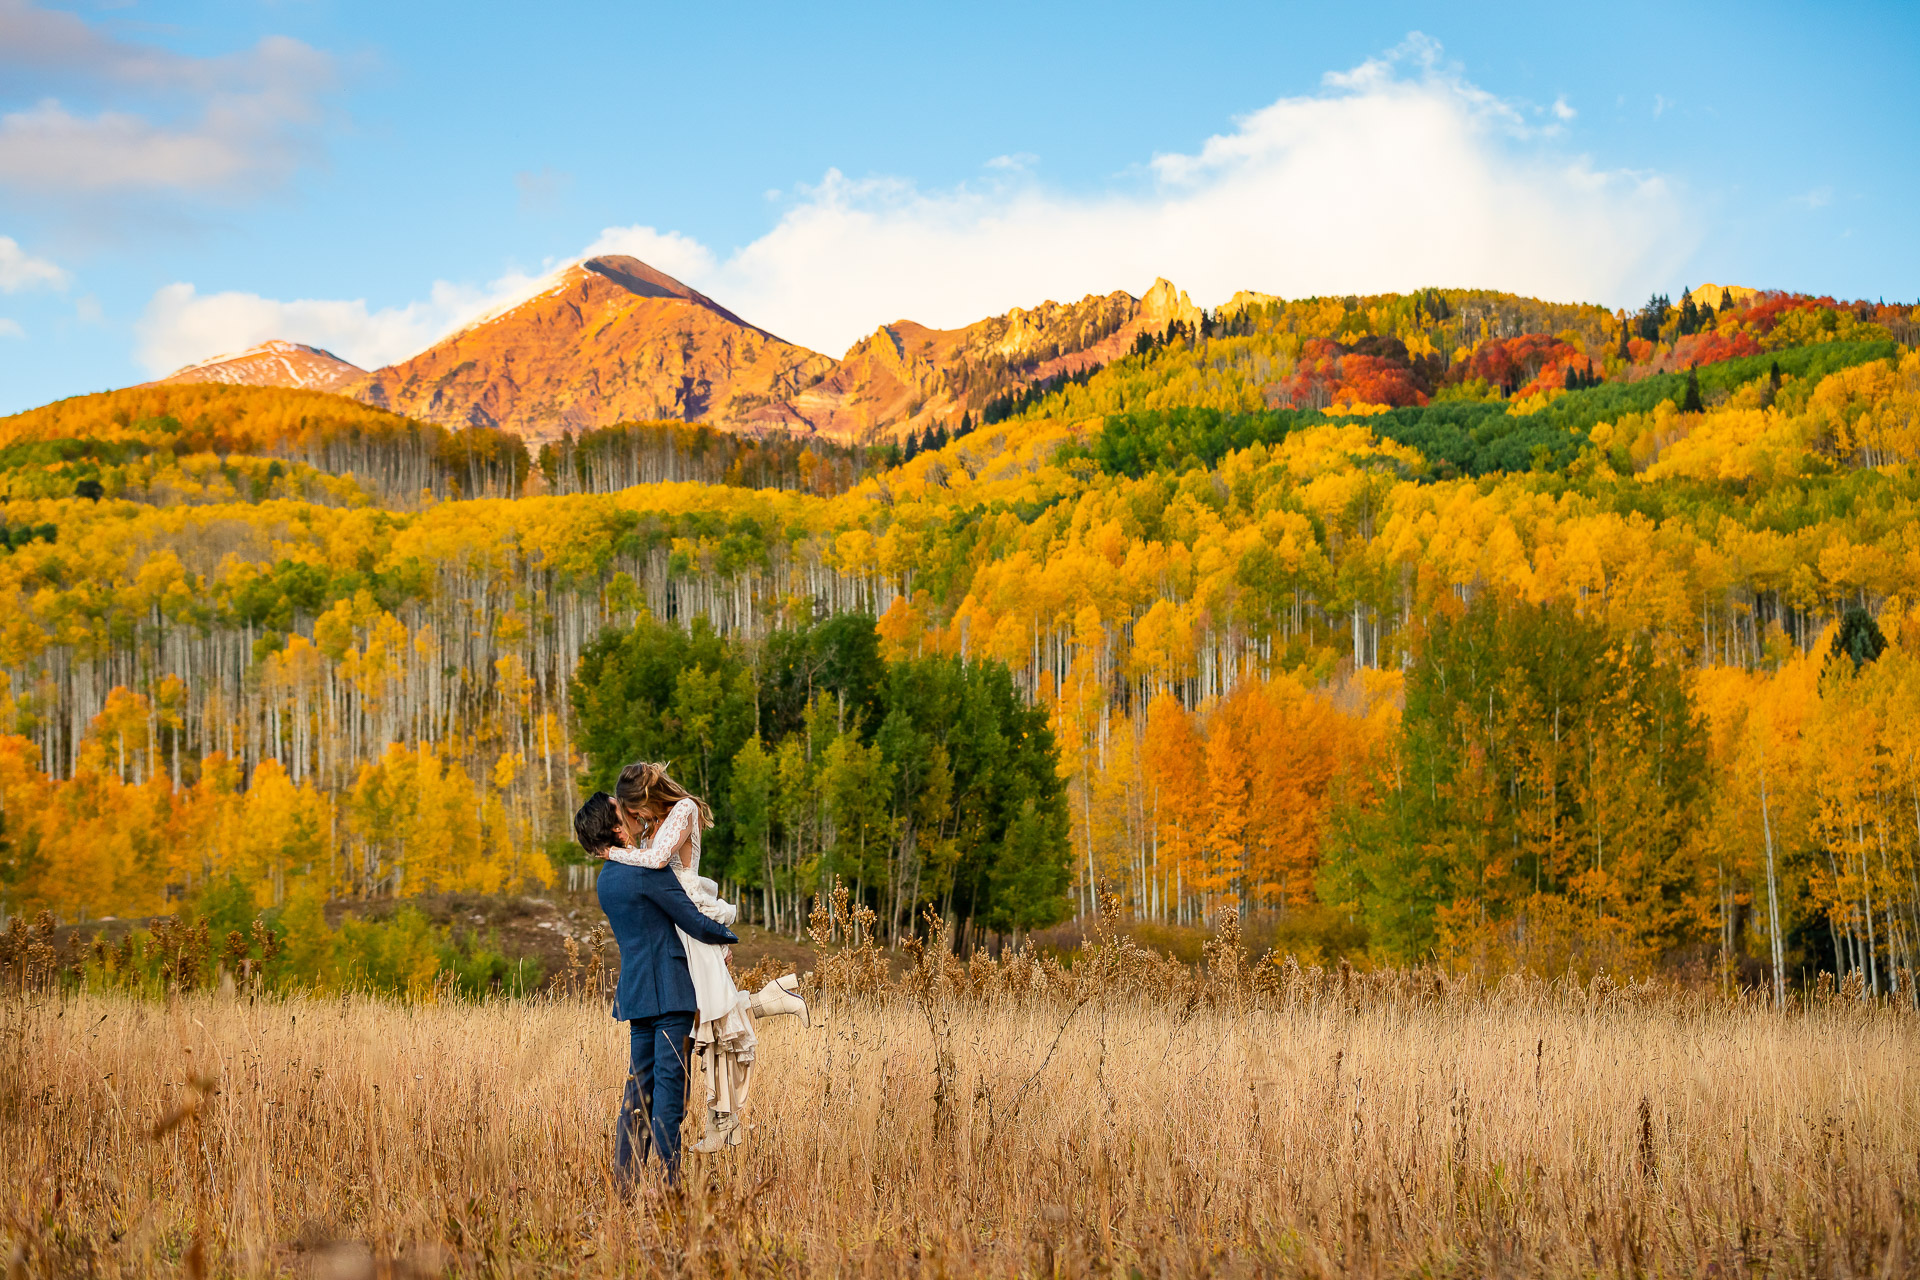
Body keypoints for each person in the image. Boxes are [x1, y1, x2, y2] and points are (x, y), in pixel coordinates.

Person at [606, 761, 807, 1152]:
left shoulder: (683, 810)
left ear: (646, 797)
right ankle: (774, 1002)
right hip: (673, 922)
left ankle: (723, 1119)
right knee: (707, 1020)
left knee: (713, 1018)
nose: (636, 819)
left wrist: (610, 853)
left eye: (636, 811)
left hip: (689, 918)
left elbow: (657, 862)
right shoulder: (659, 820)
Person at [575, 790, 736, 1190]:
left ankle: (626, 1185)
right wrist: (728, 938)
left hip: (637, 995)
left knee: (638, 1091)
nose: (632, 814)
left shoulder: (607, 880)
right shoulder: (648, 870)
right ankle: (671, 1185)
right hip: (670, 993)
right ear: (616, 827)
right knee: (670, 1094)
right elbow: (691, 919)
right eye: (622, 811)